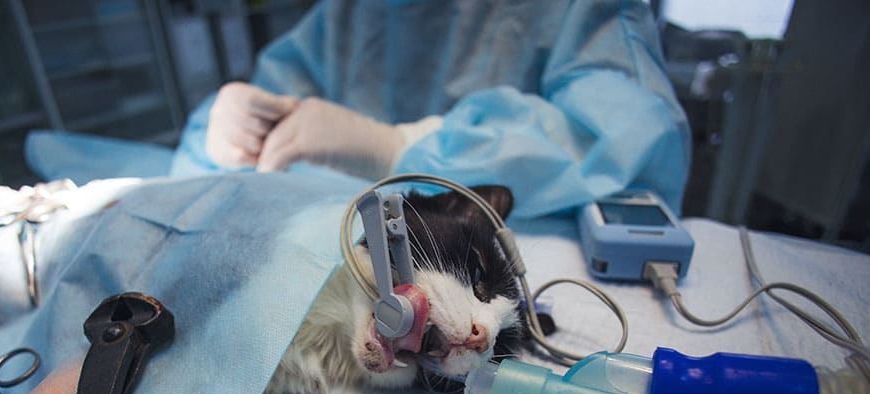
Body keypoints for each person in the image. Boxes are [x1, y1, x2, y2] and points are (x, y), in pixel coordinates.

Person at [171, 0, 691, 218]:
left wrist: (399, 148)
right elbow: (269, 114)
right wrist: (223, 128)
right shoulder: (353, 12)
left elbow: (630, 139)